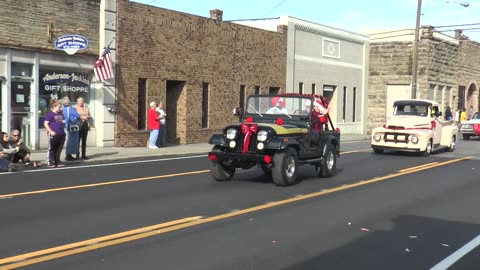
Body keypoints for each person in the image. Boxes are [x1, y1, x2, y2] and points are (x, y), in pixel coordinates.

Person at [44, 99, 66, 168]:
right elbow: (46, 123)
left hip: (61, 134)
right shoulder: (50, 114)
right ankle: (51, 161)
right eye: (58, 107)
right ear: (54, 107)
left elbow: (61, 122)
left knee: (59, 149)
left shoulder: (60, 114)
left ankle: (57, 161)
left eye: (60, 107)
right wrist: (50, 131)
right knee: (52, 149)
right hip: (53, 134)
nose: (60, 108)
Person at [61, 97, 81, 161]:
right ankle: (69, 155)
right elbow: (78, 115)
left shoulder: (64, 109)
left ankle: (68, 154)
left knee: (69, 140)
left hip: (67, 125)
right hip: (73, 126)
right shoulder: (71, 109)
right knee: (73, 141)